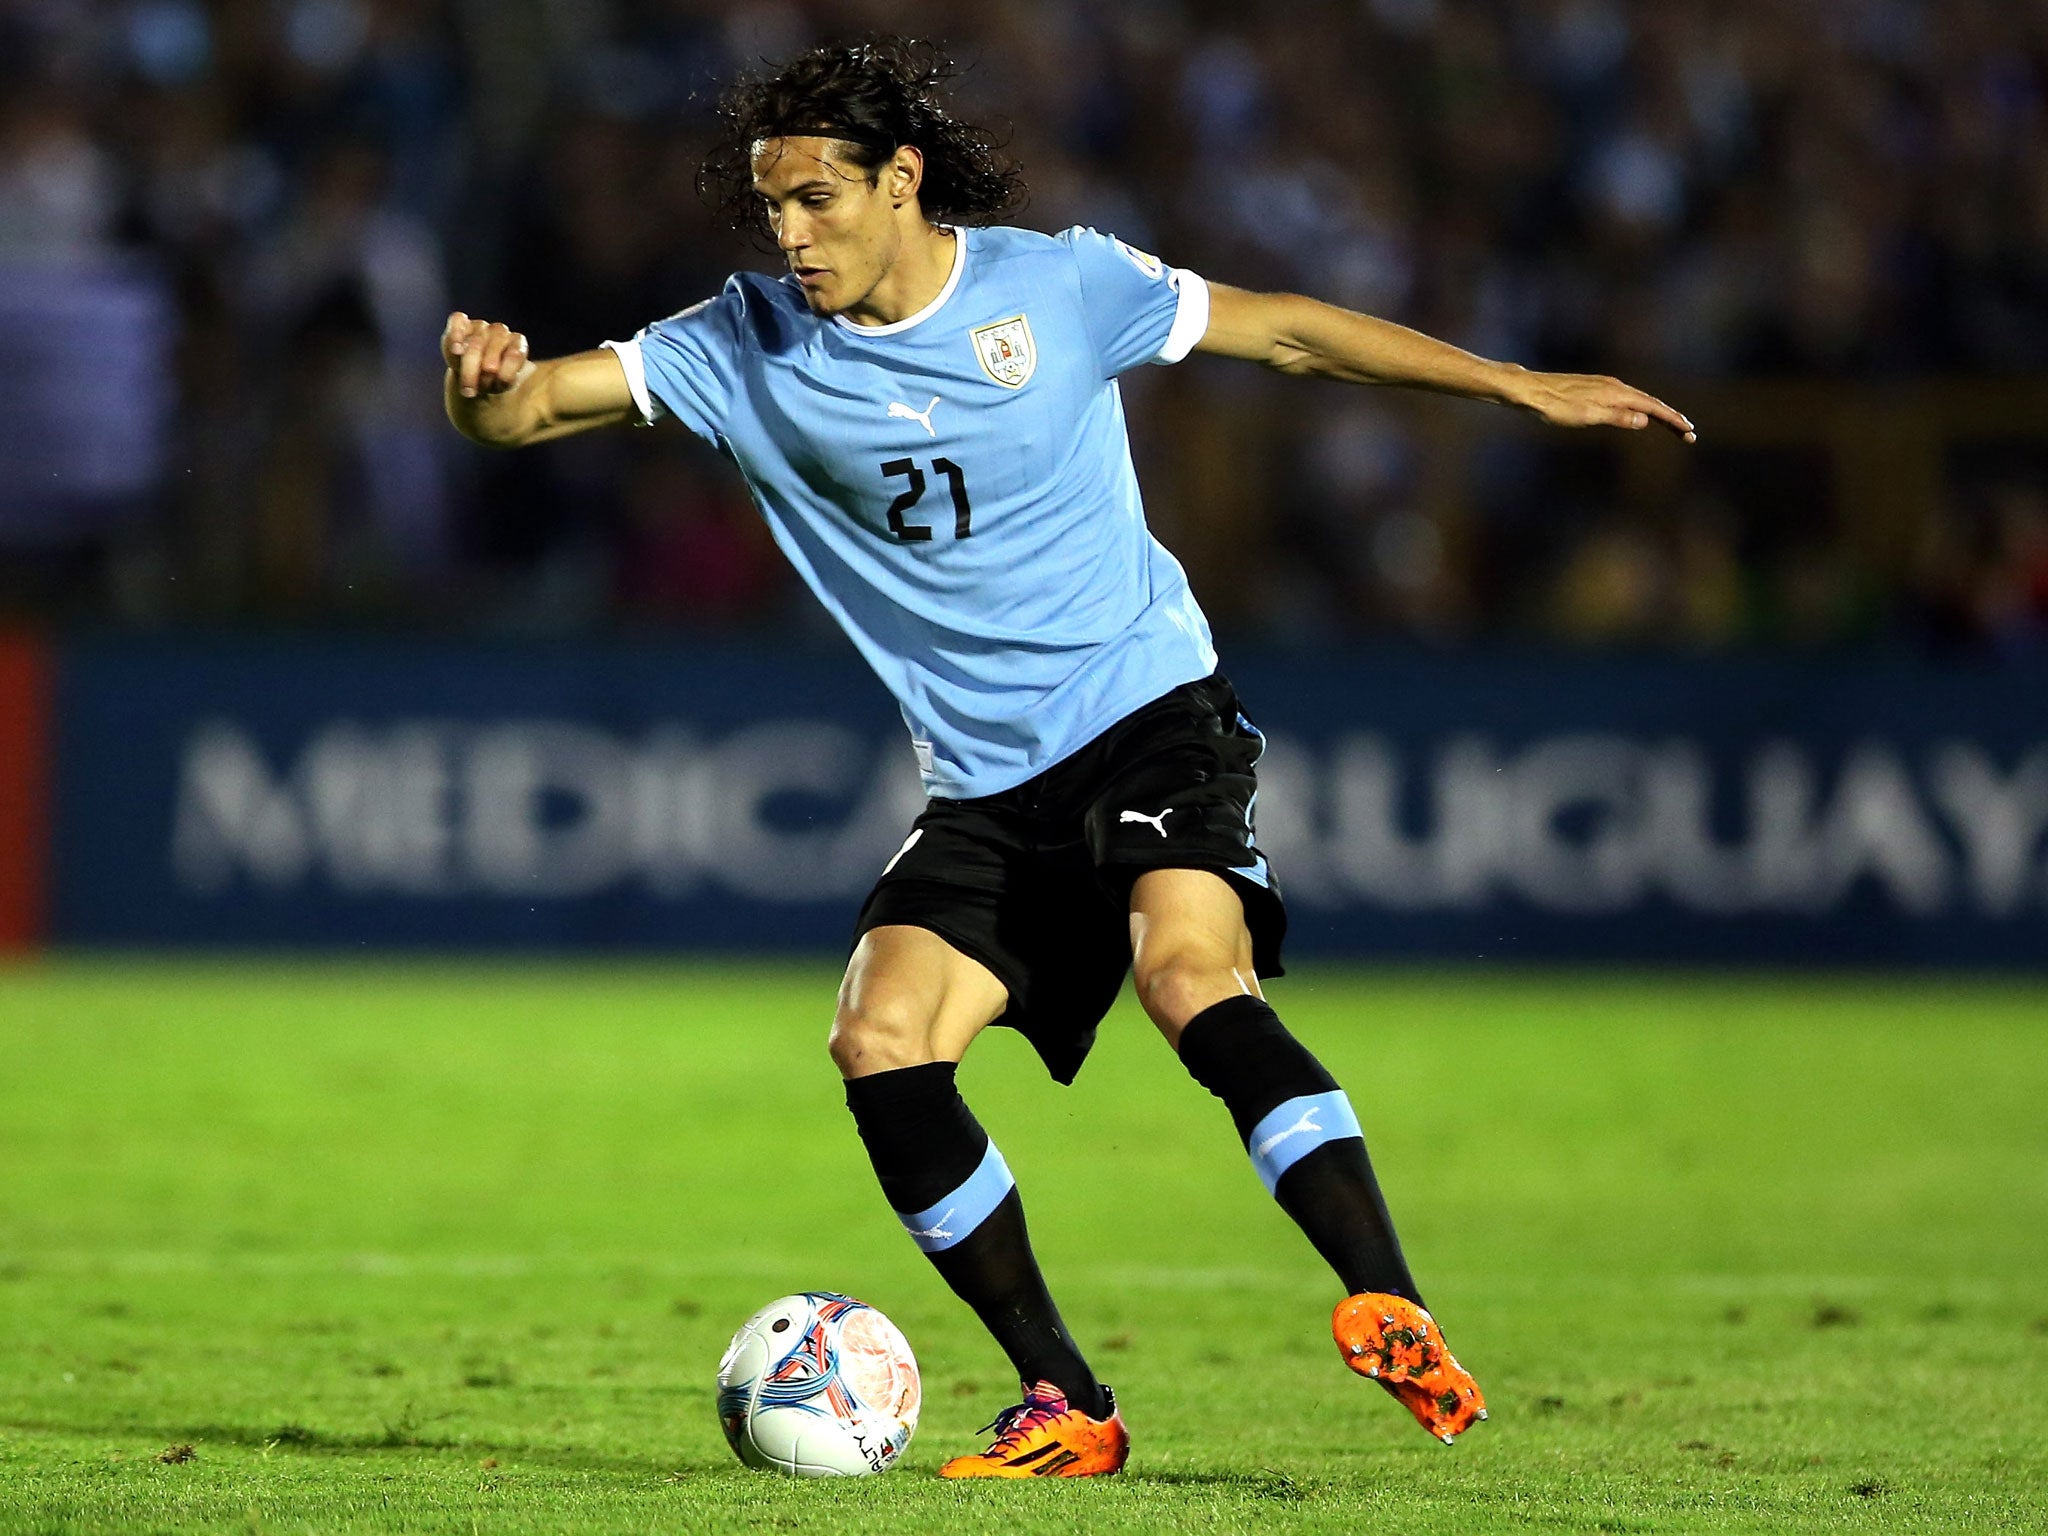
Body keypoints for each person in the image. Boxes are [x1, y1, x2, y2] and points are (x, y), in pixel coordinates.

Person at [440, 37, 1694, 1479]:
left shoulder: (1058, 284)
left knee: (1186, 976)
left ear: (899, 181)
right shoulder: (740, 344)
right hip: (984, 781)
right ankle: (1070, 1405)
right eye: (769, 205)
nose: (788, 235)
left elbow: (1282, 330)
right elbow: (527, 411)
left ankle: (1388, 1296)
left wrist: (1514, 384)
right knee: (879, 1039)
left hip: (1148, 711)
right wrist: (483, 386)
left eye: (816, 202)